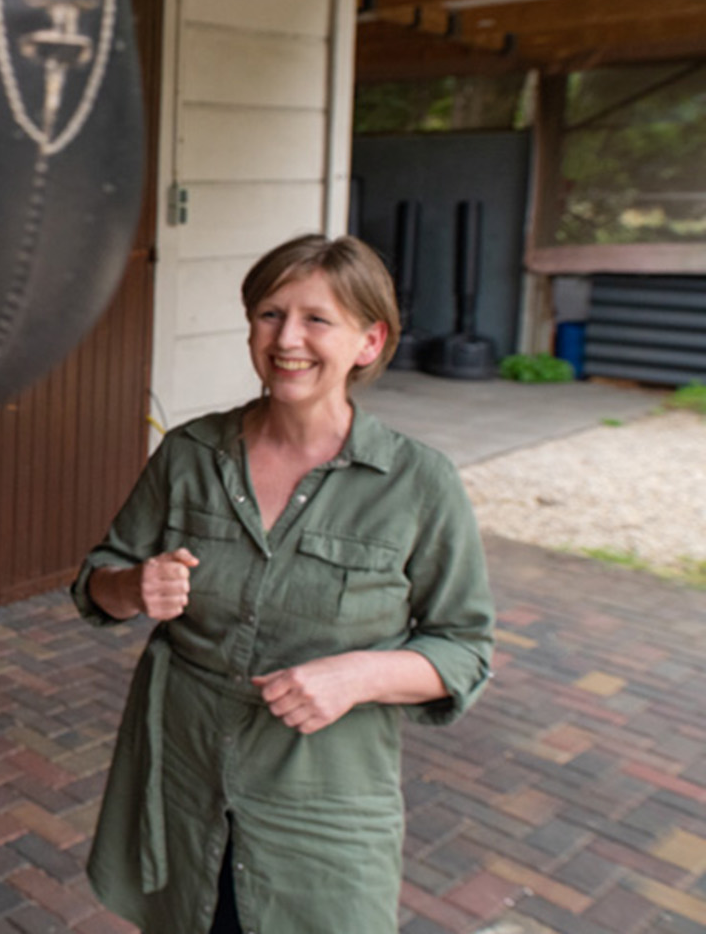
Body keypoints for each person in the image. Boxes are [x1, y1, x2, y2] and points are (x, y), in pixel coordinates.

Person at [71, 233, 496, 934]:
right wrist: (131, 587)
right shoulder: (191, 454)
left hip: (321, 802)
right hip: (184, 772)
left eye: (316, 319)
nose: (286, 338)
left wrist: (357, 675)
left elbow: (465, 649)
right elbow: (96, 582)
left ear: (369, 341)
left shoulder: (418, 483)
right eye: (269, 314)